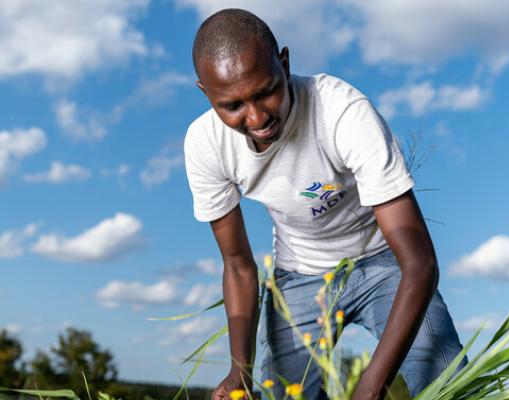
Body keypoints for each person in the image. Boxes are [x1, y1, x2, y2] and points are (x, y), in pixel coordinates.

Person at [184, 8, 466, 400]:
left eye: (267, 91)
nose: (257, 116)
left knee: (451, 386)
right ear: (206, 94)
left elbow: (420, 262)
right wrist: (240, 371)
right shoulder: (204, 145)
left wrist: (372, 385)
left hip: (387, 263)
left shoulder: (342, 111)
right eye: (232, 106)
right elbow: (238, 266)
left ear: (284, 63)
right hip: (299, 275)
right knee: (282, 394)